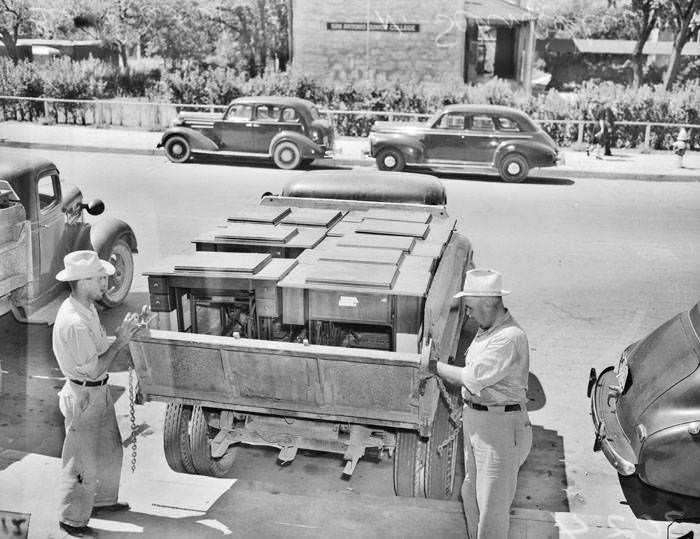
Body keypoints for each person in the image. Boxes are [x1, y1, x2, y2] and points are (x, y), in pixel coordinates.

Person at [434, 269, 532, 539]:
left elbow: (473, 378)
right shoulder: (488, 329)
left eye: (471, 309)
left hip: (499, 427)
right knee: (471, 493)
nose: (469, 315)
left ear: (489, 303)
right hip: (480, 422)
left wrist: (435, 367)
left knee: (491, 508)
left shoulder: (508, 338)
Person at [53, 250, 142, 537]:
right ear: (82, 281)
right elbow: (93, 369)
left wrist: (124, 335)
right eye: (100, 278)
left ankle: (101, 502)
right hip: (85, 395)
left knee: (110, 450)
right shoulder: (74, 323)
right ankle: (72, 519)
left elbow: (101, 350)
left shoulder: (87, 308)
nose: (107, 281)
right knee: (82, 464)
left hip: (98, 392)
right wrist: (121, 342)